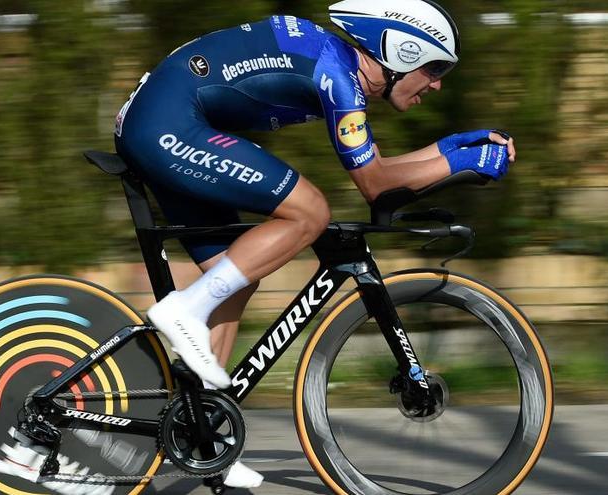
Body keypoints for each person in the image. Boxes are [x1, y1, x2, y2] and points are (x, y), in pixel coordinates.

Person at [114, 0, 516, 488]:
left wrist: (448, 148)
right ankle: (184, 312)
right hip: (167, 125)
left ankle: (201, 437)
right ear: (400, 52)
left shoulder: (337, 67)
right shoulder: (339, 76)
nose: (436, 84)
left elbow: (381, 170)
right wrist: (459, 166)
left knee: (236, 275)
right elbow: (374, 185)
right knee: (310, 211)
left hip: (171, 121)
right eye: (433, 69)